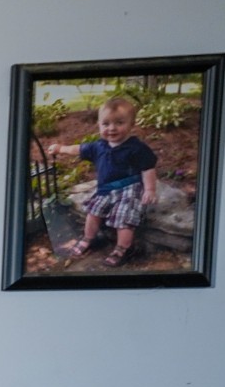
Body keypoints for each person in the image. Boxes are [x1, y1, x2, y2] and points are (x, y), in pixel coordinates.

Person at [49, 95, 160, 266]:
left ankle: (123, 248)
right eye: (106, 124)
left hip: (128, 188)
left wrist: (150, 189)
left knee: (124, 217)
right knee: (93, 212)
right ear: (99, 125)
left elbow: (148, 168)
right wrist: (60, 148)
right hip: (105, 189)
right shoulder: (97, 146)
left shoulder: (137, 148)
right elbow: (76, 149)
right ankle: (89, 238)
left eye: (119, 123)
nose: (112, 128)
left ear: (131, 124)